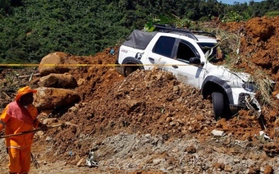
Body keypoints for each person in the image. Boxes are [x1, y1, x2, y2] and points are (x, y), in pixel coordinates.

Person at [0, 86, 48, 174]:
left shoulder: (32, 109)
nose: (31, 99)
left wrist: (40, 125)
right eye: (28, 97)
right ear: (21, 98)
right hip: (13, 139)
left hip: (27, 140)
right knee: (14, 164)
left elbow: (33, 121)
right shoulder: (11, 108)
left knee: (25, 166)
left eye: (31, 96)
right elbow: (2, 121)